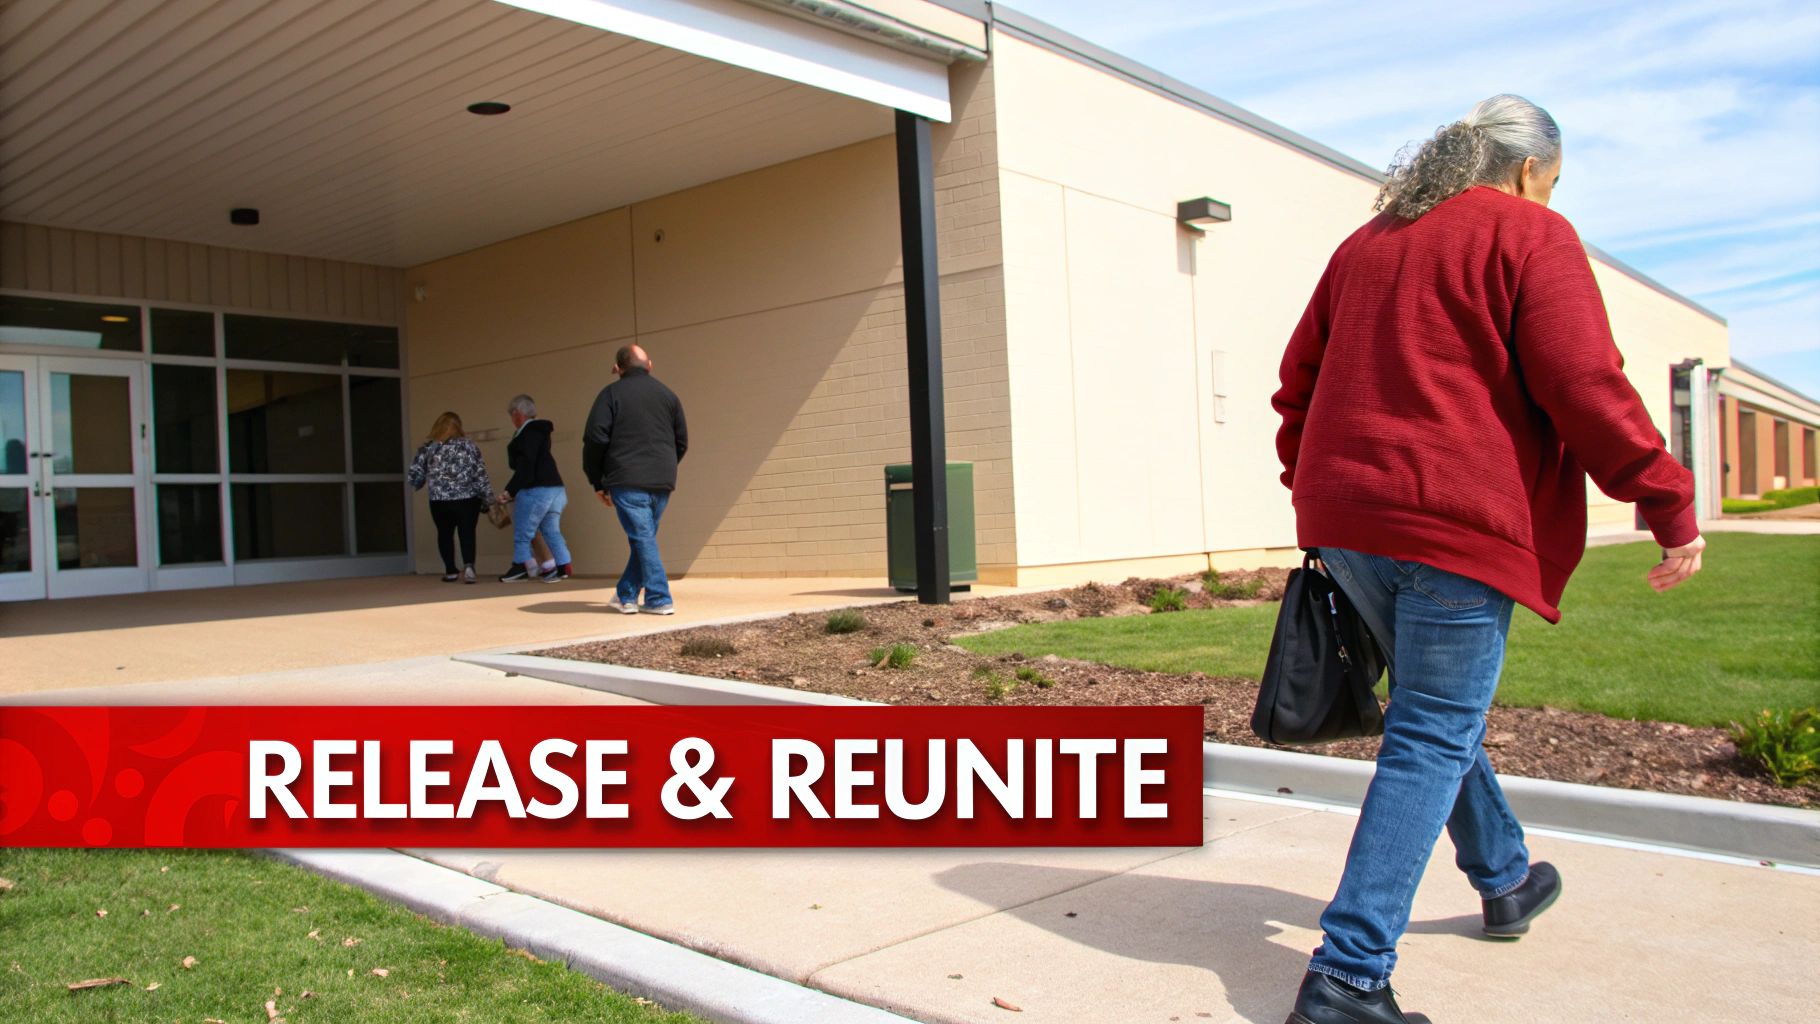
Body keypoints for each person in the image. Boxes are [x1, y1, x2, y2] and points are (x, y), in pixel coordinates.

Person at [1271, 94, 1705, 1024]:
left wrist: (1313, 482)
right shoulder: (1528, 235)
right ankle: (1348, 976)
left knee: (1433, 715)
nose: (1549, 199)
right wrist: (1668, 501)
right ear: (1524, 171)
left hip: (1350, 524)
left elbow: (1297, 380)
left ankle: (1505, 876)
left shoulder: (1367, 244)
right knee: (1430, 730)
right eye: (1550, 184)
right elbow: (1586, 385)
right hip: (1453, 526)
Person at [581, 344, 688, 614]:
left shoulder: (610, 394)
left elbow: (595, 438)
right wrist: (663, 466)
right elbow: (681, 441)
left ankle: (659, 598)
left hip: (626, 478)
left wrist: (598, 480)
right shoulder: (669, 396)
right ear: (649, 365)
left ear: (617, 368)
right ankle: (626, 595)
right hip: (662, 480)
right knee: (644, 538)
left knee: (643, 538)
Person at [406, 412, 491, 584]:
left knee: (444, 534)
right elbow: (480, 473)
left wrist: (419, 483)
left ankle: (450, 570)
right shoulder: (469, 446)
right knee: (466, 532)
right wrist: (487, 497)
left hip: (439, 500)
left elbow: (415, 476)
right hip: (467, 498)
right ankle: (469, 567)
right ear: (458, 427)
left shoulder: (428, 447)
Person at [498, 394, 571, 583]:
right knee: (551, 530)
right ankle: (563, 566)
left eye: (512, 415)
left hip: (537, 489)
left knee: (523, 532)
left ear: (517, 414)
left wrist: (510, 490)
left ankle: (522, 566)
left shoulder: (527, 434)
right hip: (556, 488)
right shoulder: (541, 431)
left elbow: (526, 465)